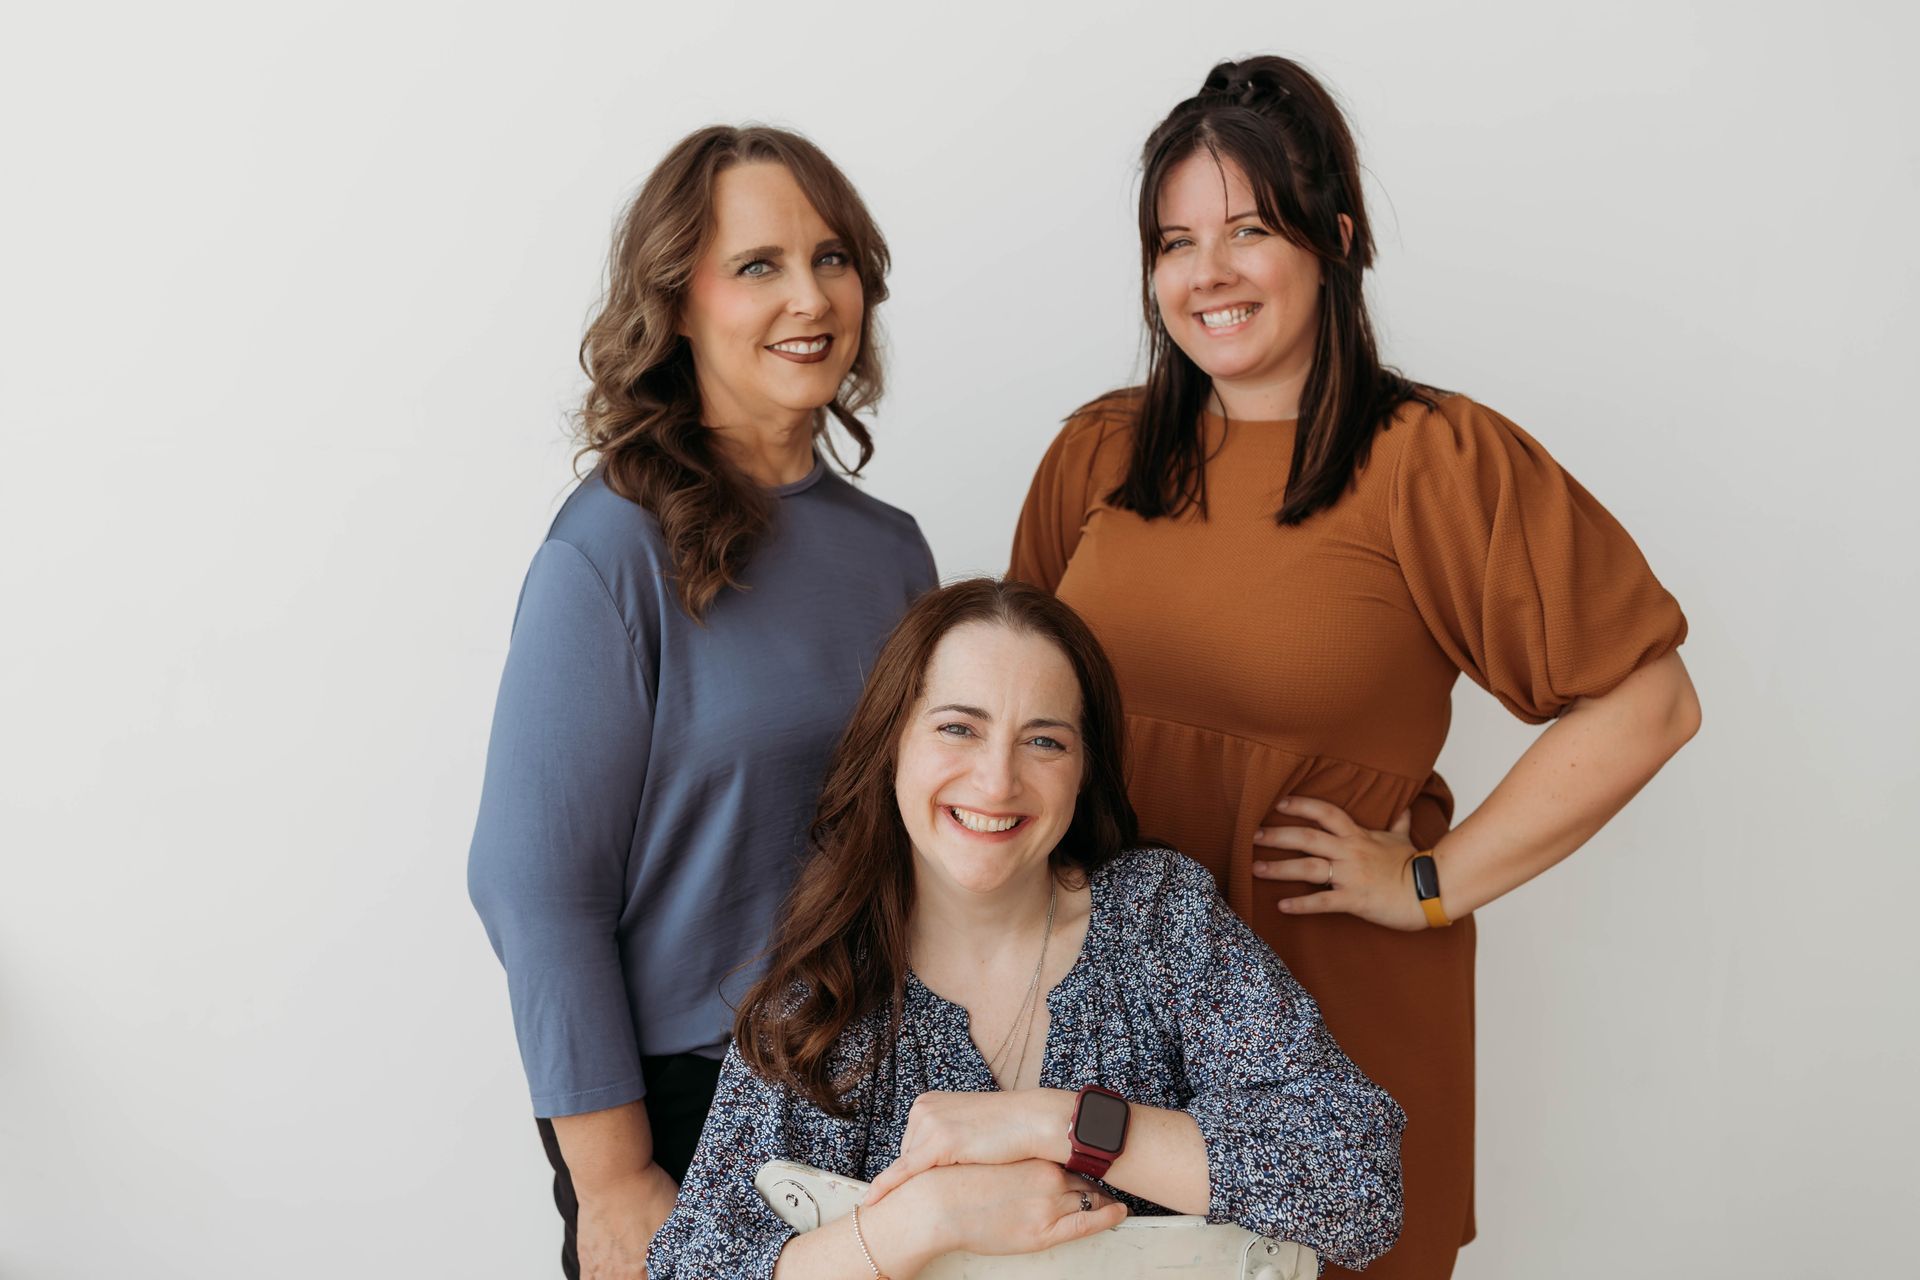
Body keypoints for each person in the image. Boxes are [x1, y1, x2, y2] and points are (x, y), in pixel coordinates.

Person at [1008, 57, 1702, 1280]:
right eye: (1174, 241)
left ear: (1333, 240)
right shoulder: (1097, 454)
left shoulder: (1433, 458)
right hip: (1097, 1029)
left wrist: (1434, 879)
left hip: (1333, 1025)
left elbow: (1651, 698)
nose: (1206, 272)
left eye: (1248, 230)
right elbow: (1008, 732)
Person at [467, 124, 937, 1279]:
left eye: (832, 258)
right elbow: (533, 886)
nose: (811, 296)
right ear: (677, 303)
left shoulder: (894, 555)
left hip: (888, 1090)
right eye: (758, 265)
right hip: (684, 1105)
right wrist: (616, 1177)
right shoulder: (609, 553)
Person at [645, 578, 1407, 1280]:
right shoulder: (829, 983)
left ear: (1083, 771)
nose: (997, 780)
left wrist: (1059, 1124)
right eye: (958, 728)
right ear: (892, 747)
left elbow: (1360, 1184)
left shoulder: (1157, 917)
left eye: (1044, 740)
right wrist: (923, 1220)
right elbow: (694, 1264)